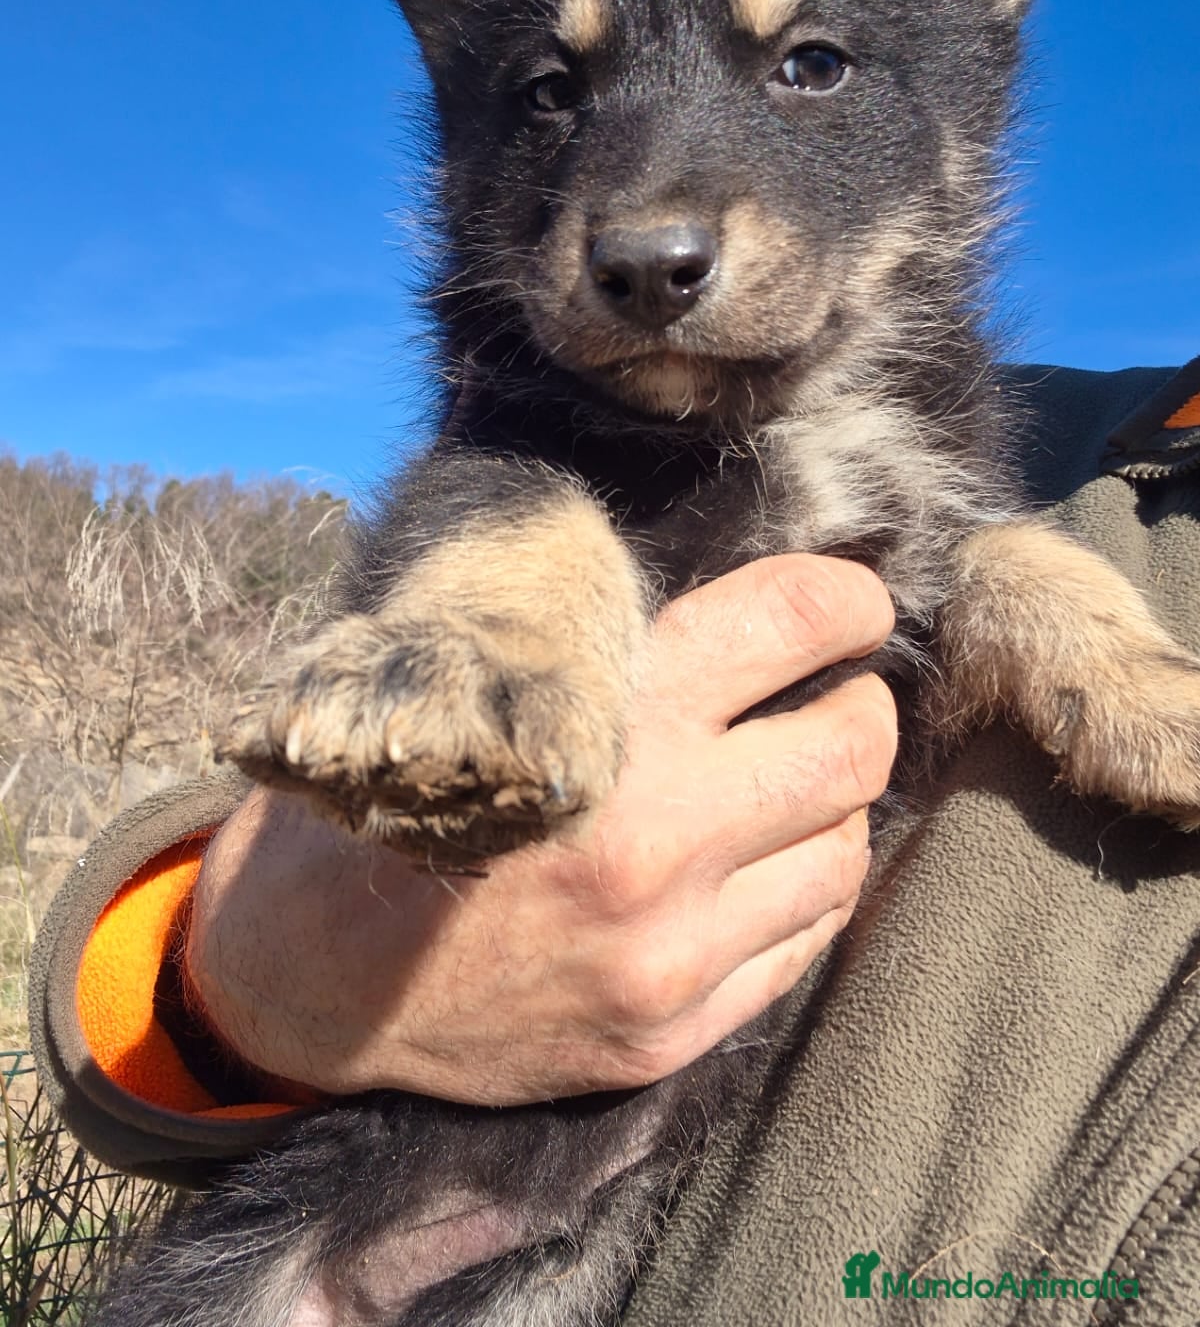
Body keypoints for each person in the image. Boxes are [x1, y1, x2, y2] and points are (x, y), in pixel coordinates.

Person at [30, 359, 1200, 1324]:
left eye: (813, 64)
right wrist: (244, 965)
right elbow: (224, 836)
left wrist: (1075, 634)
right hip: (310, 1243)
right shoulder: (1051, 435)